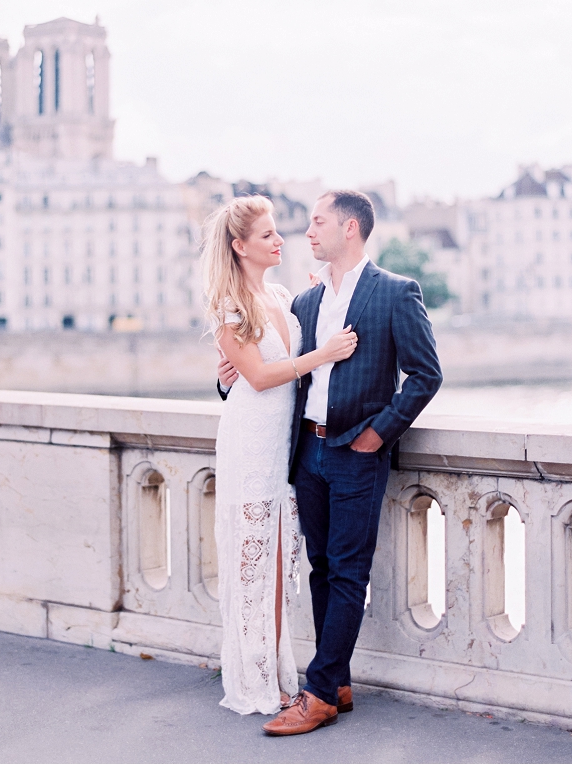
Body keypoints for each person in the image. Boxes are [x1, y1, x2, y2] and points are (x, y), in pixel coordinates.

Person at [256, 190, 443, 736]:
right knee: (322, 568)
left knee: (347, 572)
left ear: (351, 229)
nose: (307, 232)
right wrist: (226, 381)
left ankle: (317, 695)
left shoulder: (395, 293)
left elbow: (425, 375)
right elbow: (282, 369)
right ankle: (334, 680)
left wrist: (376, 435)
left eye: (318, 223)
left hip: (357, 454)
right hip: (308, 452)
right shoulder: (307, 304)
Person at [202, 195, 359, 716]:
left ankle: (272, 673)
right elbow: (261, 377)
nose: (280, 241)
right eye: (268, 235)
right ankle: (255, 681)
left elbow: (272, 364)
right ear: (239, 246)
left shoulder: (284, 294)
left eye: (277, 232)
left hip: (283, 448)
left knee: (278, 566)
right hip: (250, 444)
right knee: (253, 565)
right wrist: (322, 354)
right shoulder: (227, 306)